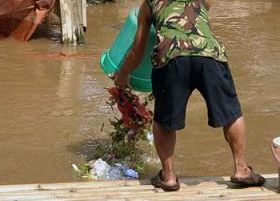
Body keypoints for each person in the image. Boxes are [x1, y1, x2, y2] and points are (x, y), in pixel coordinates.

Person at [114, 0, 265, 191]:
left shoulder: (149, 4)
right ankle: (242, 169)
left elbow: (137, 52)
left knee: (164, 120)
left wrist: (123, 73)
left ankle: (168, 176)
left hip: (171, 55)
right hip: (209, 54)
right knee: (231, 113)